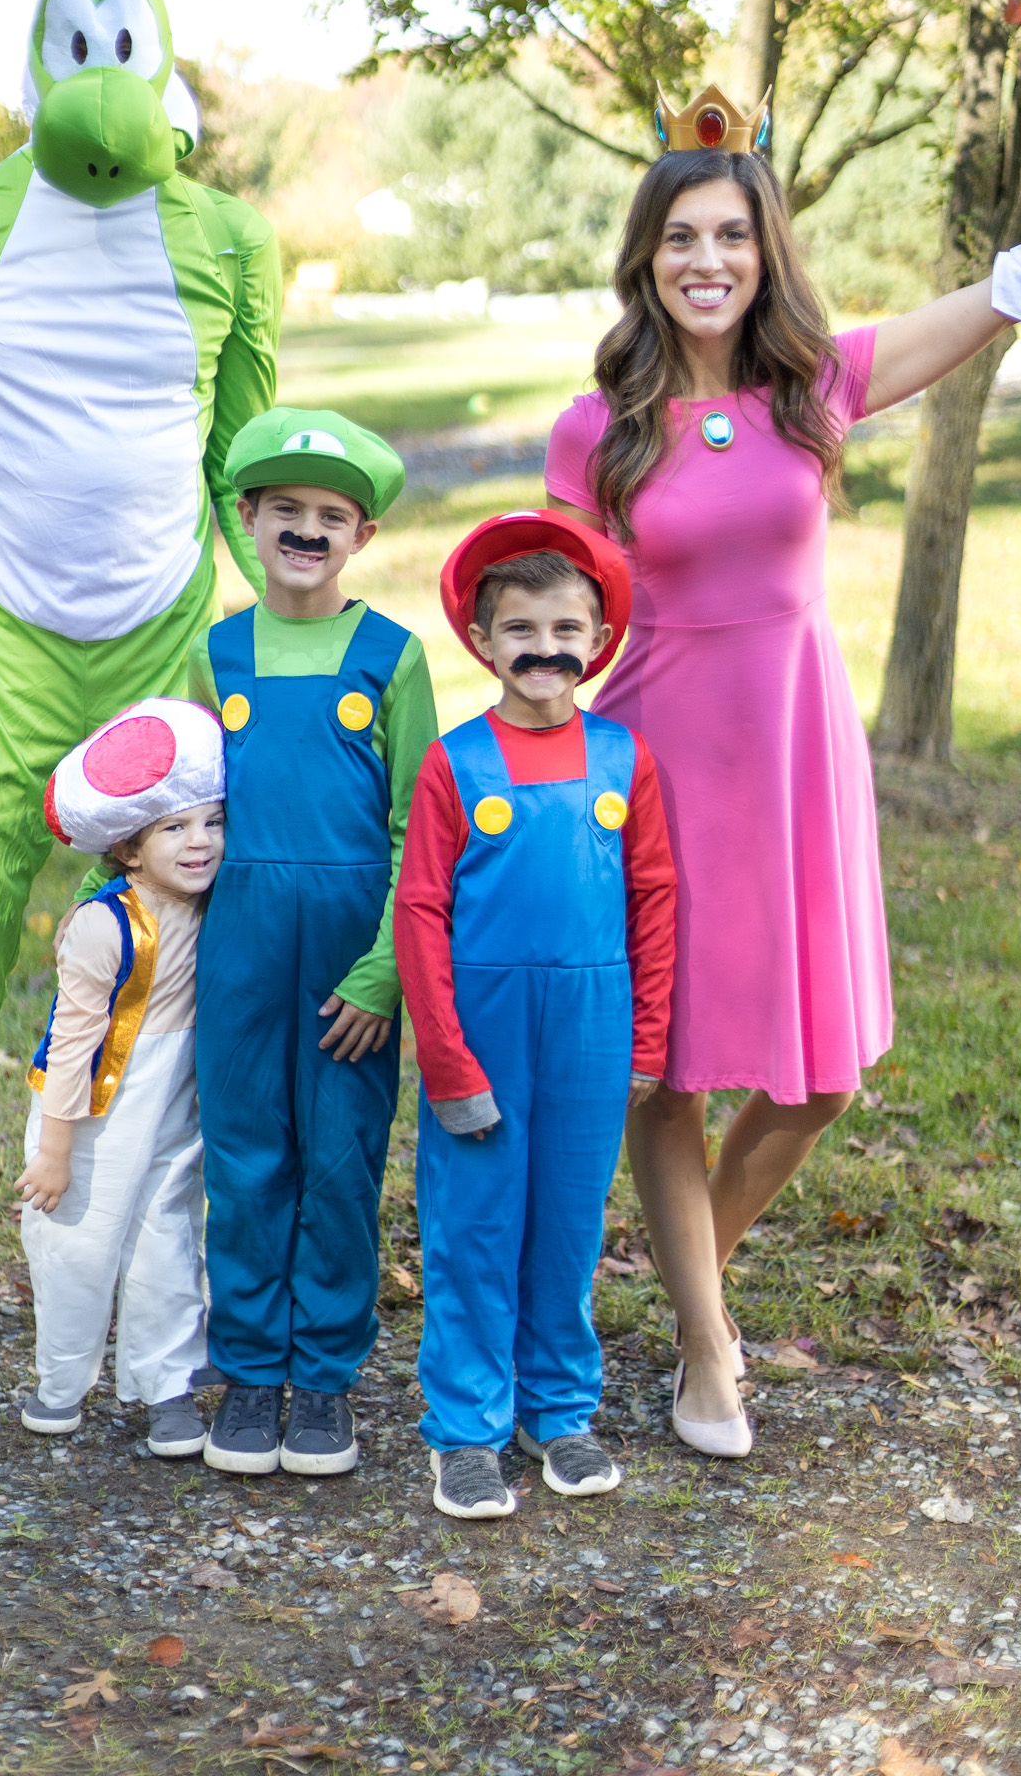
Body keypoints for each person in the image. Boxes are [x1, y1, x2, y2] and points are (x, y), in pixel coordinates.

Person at [543, 78, 1021, 1456]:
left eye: (730, 238)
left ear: (764, 253)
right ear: (645, 261)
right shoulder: (599, 425)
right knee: (669, 1074)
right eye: (680, 240)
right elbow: (552, 606)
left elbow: (973, 310)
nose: (707, 262)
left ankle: (680, 1262)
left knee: (817, 1074)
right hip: (652, 766)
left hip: (793, 764)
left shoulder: (809, 387)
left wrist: (1016, 280)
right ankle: (707, 1345)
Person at [0, 0, 279, 1421]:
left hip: (160, 657)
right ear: (40, 57)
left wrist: (278, 662)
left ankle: (151, 1274)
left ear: (159, 56)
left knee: (167, 988)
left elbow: (248, 469)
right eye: (73, 46)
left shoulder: (227, 238)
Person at [394, 511, 676, 1519]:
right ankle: (467, 1427)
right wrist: (447, 1058)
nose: (546, 649)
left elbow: (653, 896)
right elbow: (420, 911)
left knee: (565, 1222)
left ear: (597, 642)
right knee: (474, 1223)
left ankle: (557, 1409)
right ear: (483, 640)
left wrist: (645, 1037)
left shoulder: (621, 757)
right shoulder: (454, 762)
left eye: (567, 629)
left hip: (593, 1028)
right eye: (522, 630)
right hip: (484, 1024)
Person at [189, 406, 439, 1477]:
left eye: (328, 514)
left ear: (362, 536)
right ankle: (249, 1369)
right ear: (246, 519)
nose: (303, 528)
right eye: (282, 509)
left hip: (351, 957)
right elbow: (187, 805)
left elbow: (415, 830)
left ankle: (325, 1377)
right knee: (247, 1155)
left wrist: (385, 972)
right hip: (239, 943)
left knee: (339, 1159)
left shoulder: (392, 655)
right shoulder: (219, 652)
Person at [13, 699, 224, 1454]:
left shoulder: (216, 909)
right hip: (95, 1108)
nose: (199, 842)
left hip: (175, 1097)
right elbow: (70, 1044)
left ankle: (166, 1387)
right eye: (175, 828)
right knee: (78, 1241)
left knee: (167, 1232)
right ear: (130, 849)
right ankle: (61, 1383)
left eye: (211, 822)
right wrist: (57, 1148)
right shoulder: (105, 926)